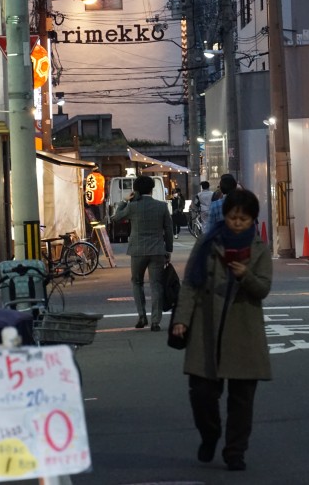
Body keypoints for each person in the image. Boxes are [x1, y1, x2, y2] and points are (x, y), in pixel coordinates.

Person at [171, 189, 272, 471]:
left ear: (253, 219)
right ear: (224, 216)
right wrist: (182, 319)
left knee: (242, 401)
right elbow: (190, 284)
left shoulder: (259, 248)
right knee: (201, 393)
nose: (237, 223)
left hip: (243, 332)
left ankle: (235, 452)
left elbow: (263, 289)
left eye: (243, 218)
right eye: (232, 217)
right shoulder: (207, 243)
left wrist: (246, 275)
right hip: (207, 328)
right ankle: (210, 434)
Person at [110, 175, 173, 331]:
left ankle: (142, 316)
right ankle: (156, 321)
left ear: (136, 190)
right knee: (156, 285)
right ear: (152, 189)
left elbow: (115, 218)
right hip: (157, 250)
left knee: (137, 283)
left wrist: (125, 200)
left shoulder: (132, 206)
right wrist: (168, 249)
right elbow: (169, 230)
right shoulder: (161, 206)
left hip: (137, 250)